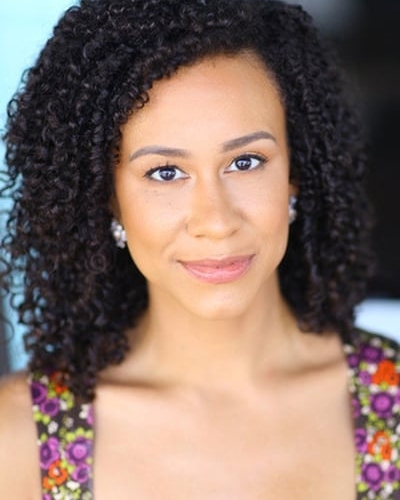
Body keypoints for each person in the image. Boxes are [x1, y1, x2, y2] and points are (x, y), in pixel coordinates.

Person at [0, 0, 398, 498]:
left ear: (295, 173)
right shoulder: (19, 440)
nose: (216, 221)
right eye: (165, 172)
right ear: (107, 198)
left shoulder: (392, 402)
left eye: (246, 162)